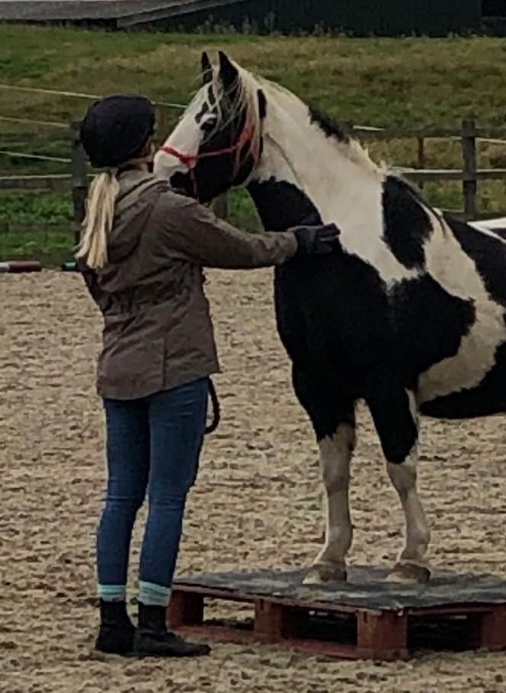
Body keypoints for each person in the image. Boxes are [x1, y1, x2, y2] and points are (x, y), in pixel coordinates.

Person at [76, 94, 341, 658]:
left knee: (120, 495)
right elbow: (239, 249)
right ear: (146, 145)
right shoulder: (168, 210)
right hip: (175, 367)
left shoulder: (97, 207)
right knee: (168, 497)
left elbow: (97, 287)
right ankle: (153, 620)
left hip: (117, 365)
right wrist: (299, 241)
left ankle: (112, 621)